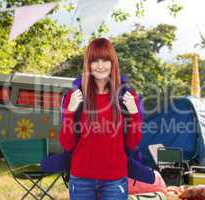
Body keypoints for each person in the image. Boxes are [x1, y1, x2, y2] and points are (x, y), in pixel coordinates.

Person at [59, 37, 142, 200]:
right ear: (88, 64)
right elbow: (67, 144)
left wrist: (134, 113)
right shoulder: (75, 96)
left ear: (113, 63)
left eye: (105, 60)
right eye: (95, 60)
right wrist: (69, 111)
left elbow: (132, 143)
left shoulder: (126, 96)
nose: (100, 66)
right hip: (81, 179)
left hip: (115, 180)